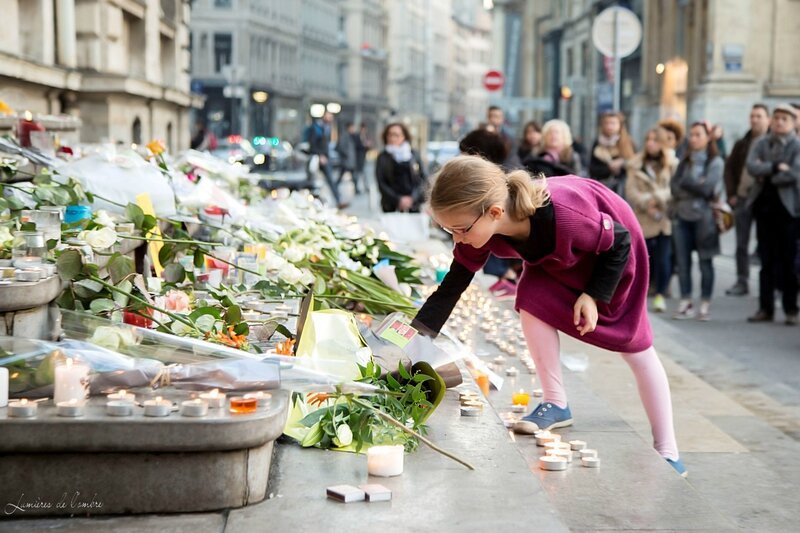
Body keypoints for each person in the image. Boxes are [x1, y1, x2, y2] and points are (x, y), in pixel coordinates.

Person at [412, 154, 687, 477]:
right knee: (531, 297)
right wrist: (415, 339)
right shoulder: (481, 224)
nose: (457, 239)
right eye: (449, 231)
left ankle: (667, 448)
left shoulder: (566, 214)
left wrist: (594, 296)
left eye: (459, 230)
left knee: (634, 344)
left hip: (612, 255)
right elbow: (454, 284)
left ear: (495, 212)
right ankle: (556, 401)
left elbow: (620, 241)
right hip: (560, 259)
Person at [745, 104, 800, 325]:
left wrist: (768, 173)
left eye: (784, 119)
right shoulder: (761, 143)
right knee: (765, 261)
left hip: (788, 212)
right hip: (764, 209)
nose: (779, 122)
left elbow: (795, 174)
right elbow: (751, 167)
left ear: (793, 122)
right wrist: (777, 167)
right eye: (776, 118)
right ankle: (765, 307)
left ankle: (790, 309)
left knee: (788, 262)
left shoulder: (796, 145)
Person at [670, 122, 724, 321]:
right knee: (683, 262)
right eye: (691, 135)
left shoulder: (715, 161)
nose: (693, 139)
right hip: (682, 215)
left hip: (705, 218)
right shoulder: (684, 162)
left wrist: (689, 184)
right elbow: (674, 187)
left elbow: (708, 189)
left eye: (698, 135)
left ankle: (705, 303)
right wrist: (695, 184)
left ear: (708, 137)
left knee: (705, 261)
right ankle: (685, 301)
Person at [458, 128, 520, 299]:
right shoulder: (494, 172)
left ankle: (507, 279)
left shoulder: (502, 180)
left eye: (465, 154)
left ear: (478, 154)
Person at [626, 129, 677, 313]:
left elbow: (674, 188)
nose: (650, 143)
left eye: (655, 140)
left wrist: (656, 197)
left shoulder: (671, 164)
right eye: (648, 139)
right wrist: (648, 202)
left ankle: (660, 295)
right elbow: (631, 191)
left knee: (663, 259)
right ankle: (640, 296)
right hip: (643, 217)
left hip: (663, 218)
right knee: (643, 259)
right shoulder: (636, 164)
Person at [723, 104, 770, 296]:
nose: (755, 119)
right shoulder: (742, 142)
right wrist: (732, 193)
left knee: (766, 244)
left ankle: (770, 285)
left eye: (759, 116)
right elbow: (730, 169)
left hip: (763, 200)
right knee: (741, 244)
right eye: (752, 116)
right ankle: (742, 280)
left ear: (767, 119)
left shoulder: (771, 144)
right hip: (742, 199)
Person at [375, 123, 427, 213]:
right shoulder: (383, 157)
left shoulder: (414, 154)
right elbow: (381, 182)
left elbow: (423, 178)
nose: (392, 138)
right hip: (390, 205)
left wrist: (412, 198)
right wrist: (398, 199)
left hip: (414, 205)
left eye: (396, 135)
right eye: (390, 134)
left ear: (404, 136)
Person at [589, 112, 636, 196]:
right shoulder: (597, 143)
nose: (609, 126)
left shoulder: (628, 143)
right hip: (602, 187)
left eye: (613, 123)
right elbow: (592, 168)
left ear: (620, 125)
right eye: (607, 123)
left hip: (623, 188)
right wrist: (609, 168)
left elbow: (635, 163)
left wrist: (622, 163)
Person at [308, 111, 347, 209]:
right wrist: (320, 155)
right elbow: (312, 145)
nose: (330, 119)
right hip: (318, 159)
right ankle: (311, 202)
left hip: (326, 158)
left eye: (331, 117)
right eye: (328, 117)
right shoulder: (316, 128)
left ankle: (338, 200)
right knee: (313, 182)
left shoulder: (327, 128)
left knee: (330, 180)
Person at [335, 122, 358, 193]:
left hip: (350, 160)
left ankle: (356, 189)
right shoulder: (344, 136)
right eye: (352, 128)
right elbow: (340, 147)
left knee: (353, 175)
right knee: (343, 174)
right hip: (346, 161)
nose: (353, 129)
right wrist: (346, 154)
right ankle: (335, 186)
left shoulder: (351, 136)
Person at [354, 123, 371, 194]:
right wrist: (364, 145)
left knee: (364, 173)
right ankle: (357, 187)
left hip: (364, 157)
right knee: (358, 173)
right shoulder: (357, 136)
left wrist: (368, 146)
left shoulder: (366, 136)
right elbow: (356, 146)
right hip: (358, 157)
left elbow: (368, 147)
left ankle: (365, 186)